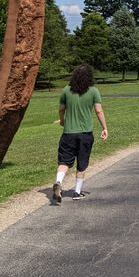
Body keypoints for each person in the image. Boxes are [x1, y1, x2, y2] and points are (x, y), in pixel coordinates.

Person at [53, 64, 108, 203]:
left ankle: (58, 182)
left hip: (68, 134)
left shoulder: (66, 90)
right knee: (82, 162)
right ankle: (77, 192)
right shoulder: (94, 91)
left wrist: (62, 121)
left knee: (64, 161)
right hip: (85, 134)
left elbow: (61, 109)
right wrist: (104, 128)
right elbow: (99, 111)